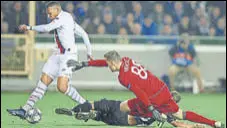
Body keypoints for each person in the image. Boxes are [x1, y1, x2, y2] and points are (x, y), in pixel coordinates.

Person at [66, 51, 224, 128]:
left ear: (113, 63)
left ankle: (97, 113)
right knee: (180, 114)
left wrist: (150, 107)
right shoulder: (126, 60)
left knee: (122, 107)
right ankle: (213, 123)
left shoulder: (123, 77)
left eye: (108, 65)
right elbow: (105, 61)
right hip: (162, 89)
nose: (108, 67)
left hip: (151, 98)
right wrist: (87, 64)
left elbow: (139, 91)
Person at [7, 1, 92, 122]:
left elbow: (47, 28)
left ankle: (85, 104)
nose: (49, 16)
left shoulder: (64, 17)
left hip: (68, 56)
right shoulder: (66, 20)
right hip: (57, 54)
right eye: (48, 14)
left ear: (57, 9)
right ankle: (25, 109)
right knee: (43, 82)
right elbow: (84, 34)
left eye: (50, 13)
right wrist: (89, 52)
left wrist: (29, 27)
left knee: (62, 87)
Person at [55, 97, 206, 128]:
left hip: (118, 105)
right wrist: (196, 126)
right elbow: (179, 124)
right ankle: (93, 116)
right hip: (124, 120)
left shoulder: (152, 96)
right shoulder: (167, 113)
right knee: (103, 117)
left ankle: (75, 110)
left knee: (96, 104)